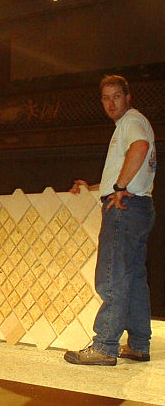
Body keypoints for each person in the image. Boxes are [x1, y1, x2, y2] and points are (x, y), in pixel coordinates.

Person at [64, 75, 156, 366]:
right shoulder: (131, 123)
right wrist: (96, 187)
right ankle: (138, 345)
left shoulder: (131, 122)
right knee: (134, 280)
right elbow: (131, 168)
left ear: (128, 97)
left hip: (124, 208)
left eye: (116, 96)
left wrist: (117, 188)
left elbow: (140, 147)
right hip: (139, 206)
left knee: (112, 277)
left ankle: (104, 346)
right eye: (105, 97)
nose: (111, 103)